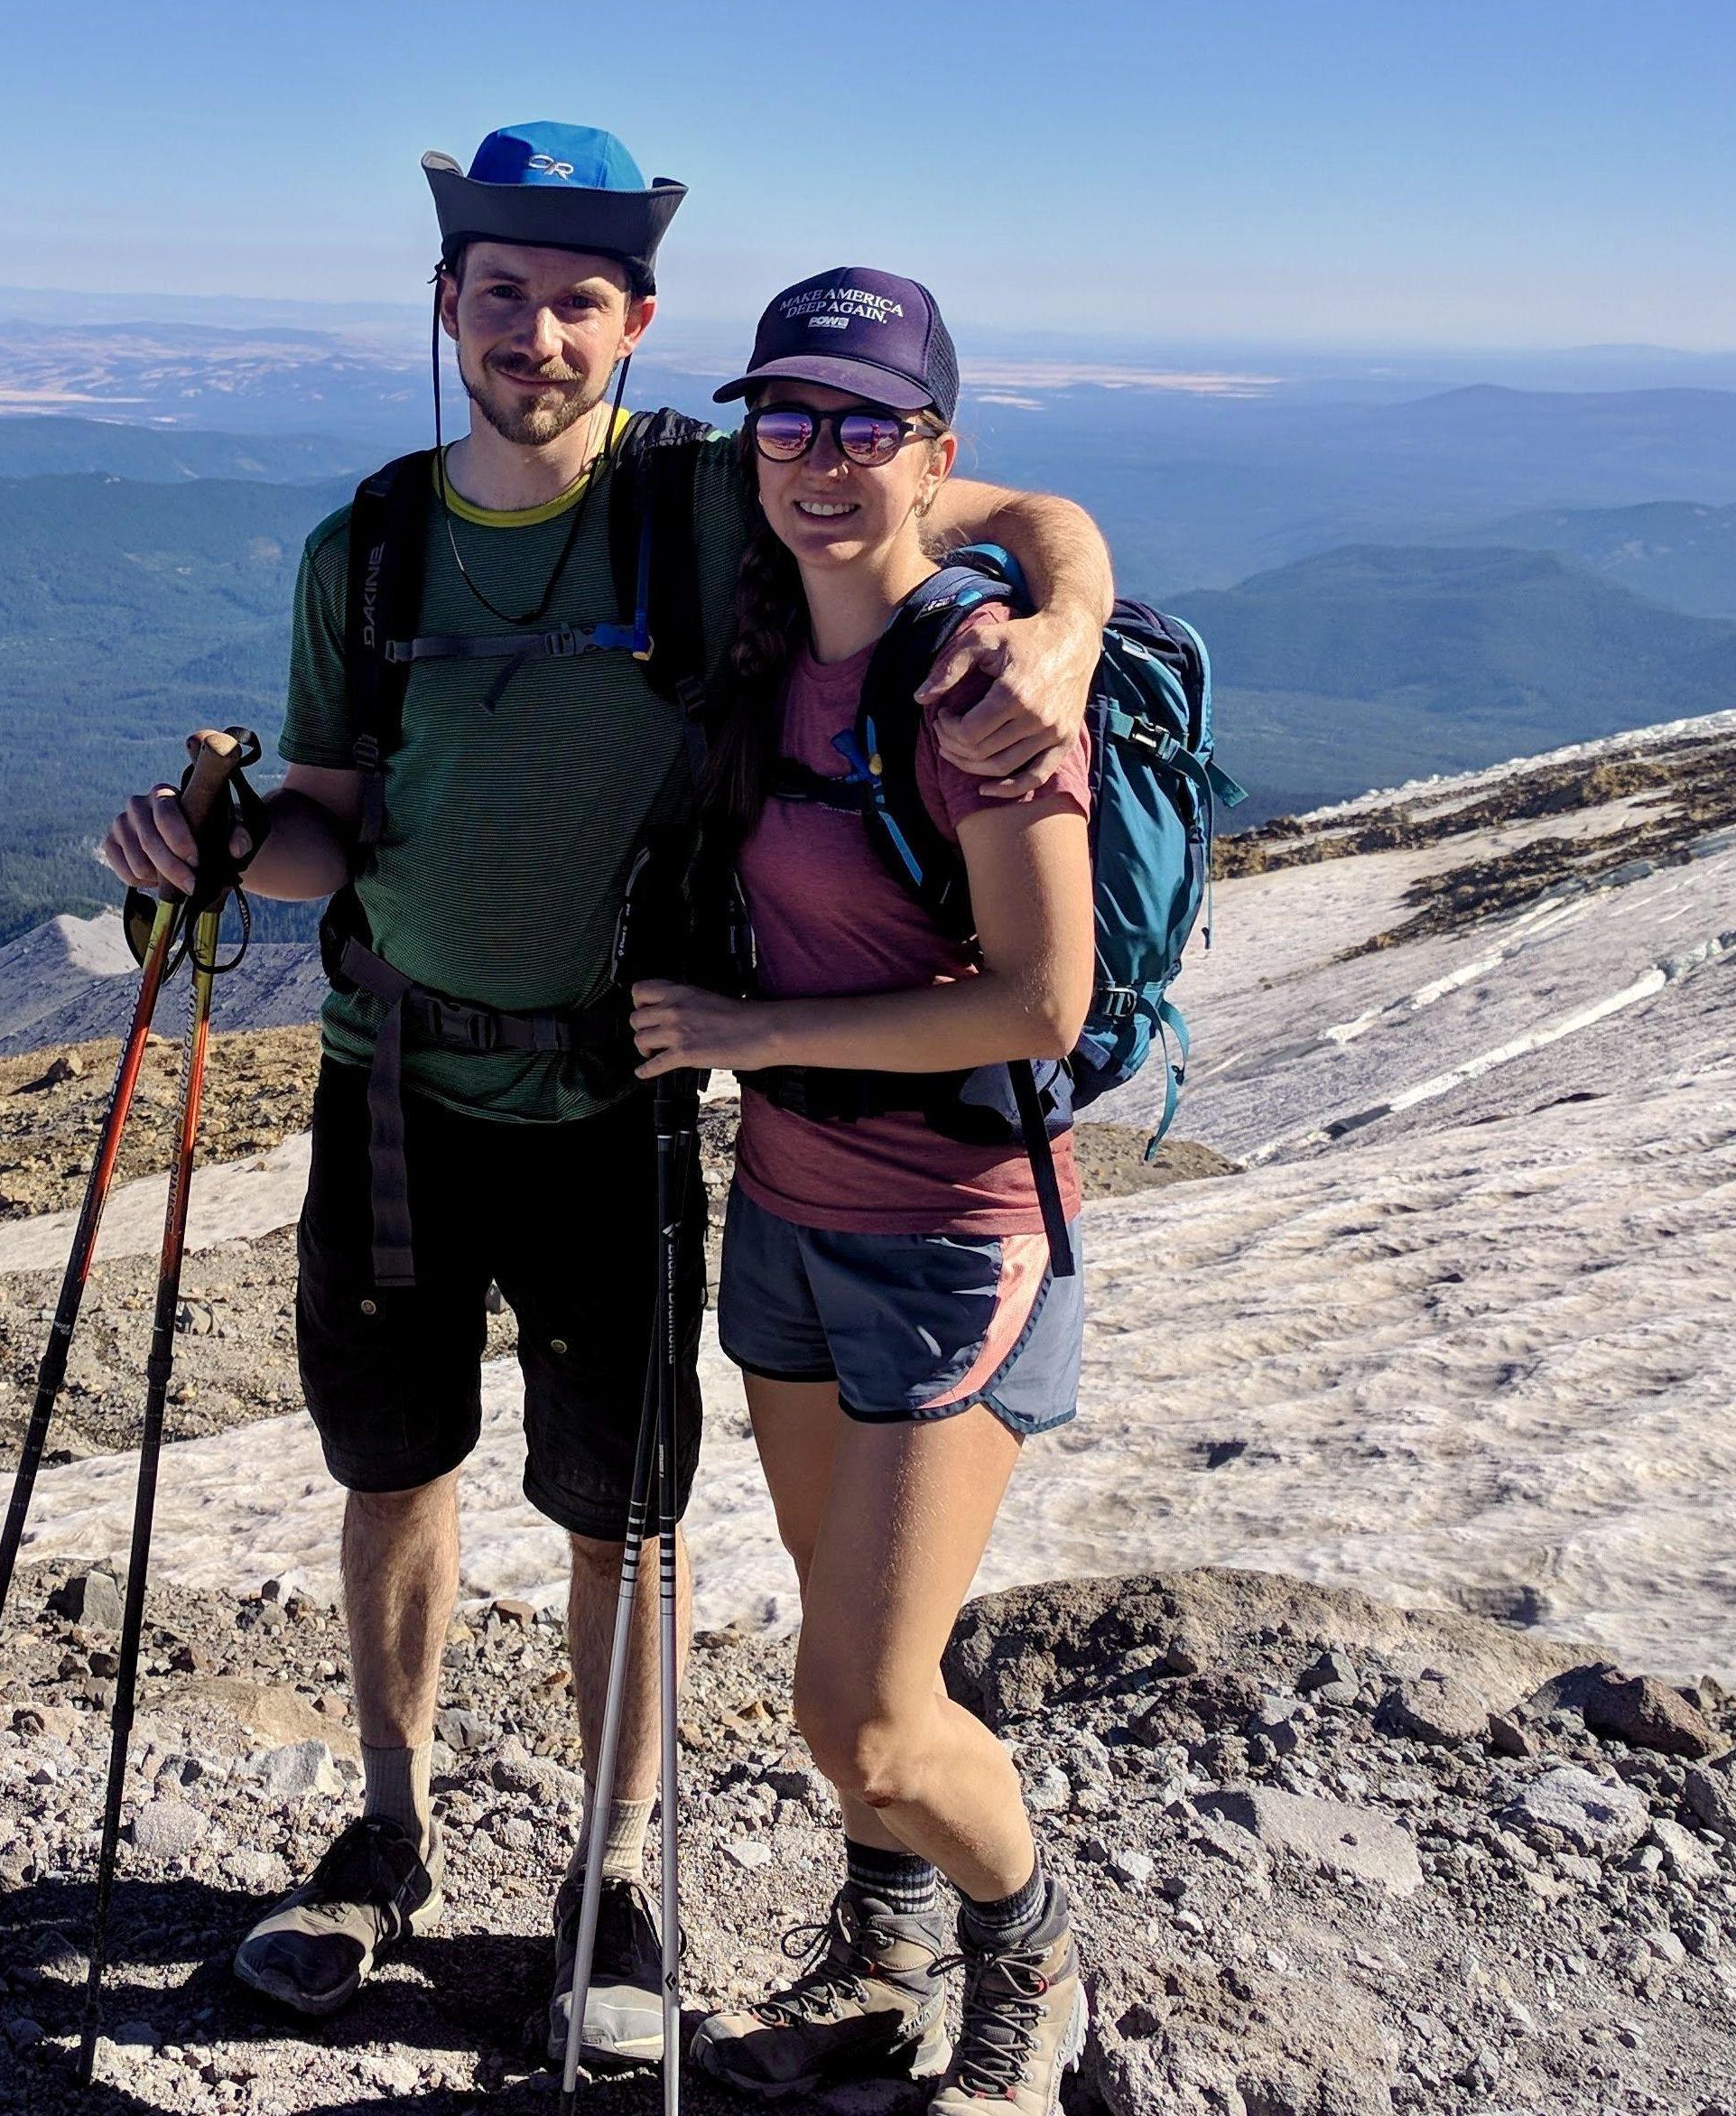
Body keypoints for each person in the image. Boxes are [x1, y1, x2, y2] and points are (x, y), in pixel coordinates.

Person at [101, 134, 1113, 2067]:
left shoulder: (725, 499)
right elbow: (334, 821)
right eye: (501, 295)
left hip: (620, 1098)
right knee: (392, 1468)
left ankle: (619, 1869)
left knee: (616, 1512)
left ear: (636, 322)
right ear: (448, 307)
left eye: (577, 302)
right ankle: (384, 1835)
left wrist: (1056, 634)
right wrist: (217, 849)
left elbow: (1026, 513)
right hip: (391, 1082)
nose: (536, 335)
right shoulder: (370, 547)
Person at [626, 268, 1094, 2113]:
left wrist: (740, 1027)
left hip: (951, 1238)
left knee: (867, 1716)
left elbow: (1038, 998)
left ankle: (1031, 1953)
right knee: (846, 1646)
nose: (821, 459)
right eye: (789, 420)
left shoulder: (977, 678)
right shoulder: (769, 635)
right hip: (796, 1223)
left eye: (865, 425)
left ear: (937, 455)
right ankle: (888, 1964)